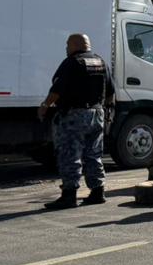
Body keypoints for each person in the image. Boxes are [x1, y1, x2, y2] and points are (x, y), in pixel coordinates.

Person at [38, 33, 111, 209]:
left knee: (70, 154)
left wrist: (45, 105)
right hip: (97, 113)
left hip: (74, 116)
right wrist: (107, 113)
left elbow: (57, 89)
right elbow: (110, 90)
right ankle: (97, 192)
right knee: (93, 154)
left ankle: (69, 196)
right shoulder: (100, 62)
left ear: (74, 45)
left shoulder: (71, 62)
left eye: (67, 44)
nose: (66, 48)